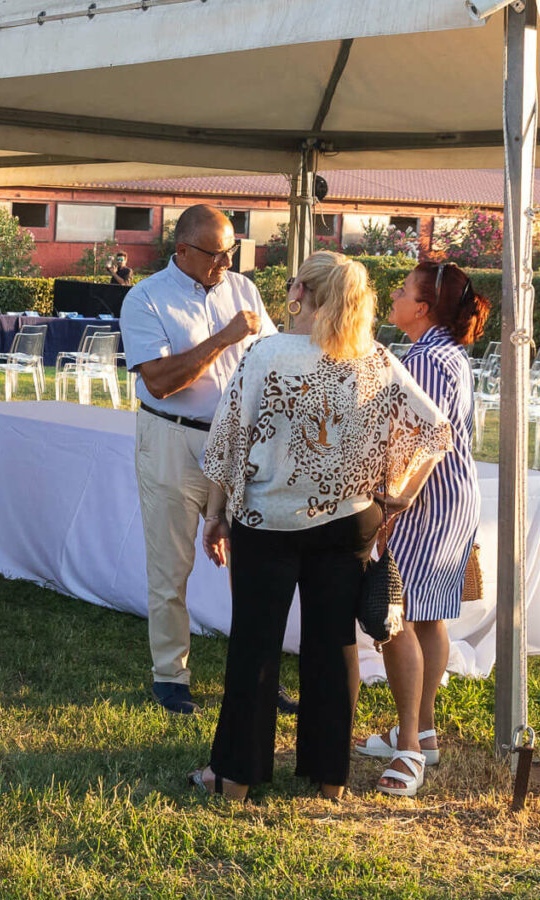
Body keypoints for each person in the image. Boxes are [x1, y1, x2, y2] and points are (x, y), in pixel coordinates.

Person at [193, 252, 451, 802]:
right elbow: (433, 431)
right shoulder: (377, 359)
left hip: (269, 519)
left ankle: (235, 777)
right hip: (349, 520)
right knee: (335, 646)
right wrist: (396, 497)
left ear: (302, 293)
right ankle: (328, 778)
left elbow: (229, 443)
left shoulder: (266, 354)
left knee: (255, 646)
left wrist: (216, 515)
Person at [118, 203, 272, 714]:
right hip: (173, 439)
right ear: (181, 250)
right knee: (171, 566)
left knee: (254, 565)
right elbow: (160, 382)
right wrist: (225, 337)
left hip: (239, 443)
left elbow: (271, 358)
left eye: (232, 252)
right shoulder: (146, 299)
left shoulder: (243, 290)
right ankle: (171, 676)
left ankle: (257, 677)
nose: (225, 264)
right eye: (215, 254)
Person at [358, 261, 491, 796]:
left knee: (397, 618)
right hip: (447, 496)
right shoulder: (443, 353)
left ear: (422, 308)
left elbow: (425, 441)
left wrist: (394, 503)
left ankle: (409, 746)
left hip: (424, 501)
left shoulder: (427, 359)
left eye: (402, 290)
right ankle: (425, 733)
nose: (393, 295)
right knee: (428, 617)